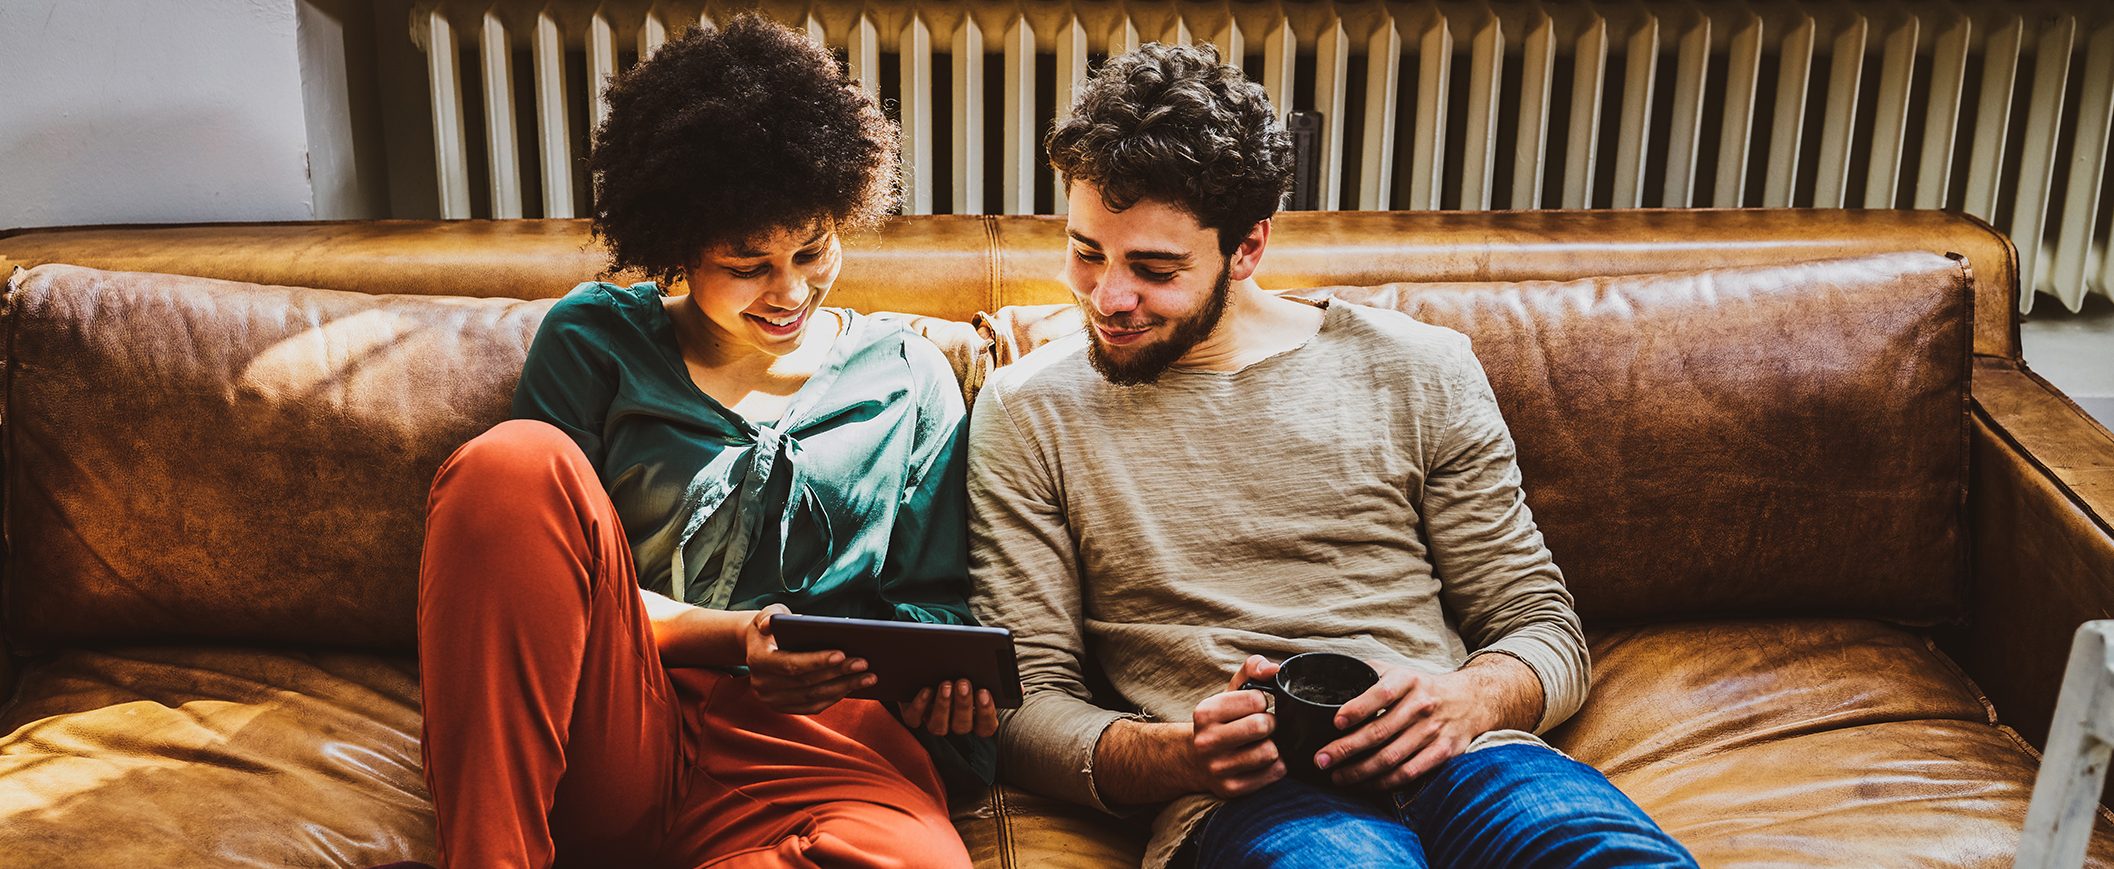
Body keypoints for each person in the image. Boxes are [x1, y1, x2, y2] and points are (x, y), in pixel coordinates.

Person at [967, 43, 1698, 868]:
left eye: (1156, 268)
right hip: (1252, 799)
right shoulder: (1029, 412)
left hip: (1468, 758)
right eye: (1087, 251)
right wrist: (1178, 755)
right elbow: (1023, 708)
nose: (1108, 297)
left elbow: (1539, 623)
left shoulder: (1418, 366)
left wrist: (1466, 698)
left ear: (1247, 247)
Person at [417, 16, 994, 868]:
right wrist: (732, 637)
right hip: (618, 718)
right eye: (748, 265)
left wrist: (937, 682)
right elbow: (533, 582)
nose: (790, 290)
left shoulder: (907, 375)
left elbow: (935, 606)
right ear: (679, 247)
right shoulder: (597, 339)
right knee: (510, 465)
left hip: (814, 746)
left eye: (813, 249)